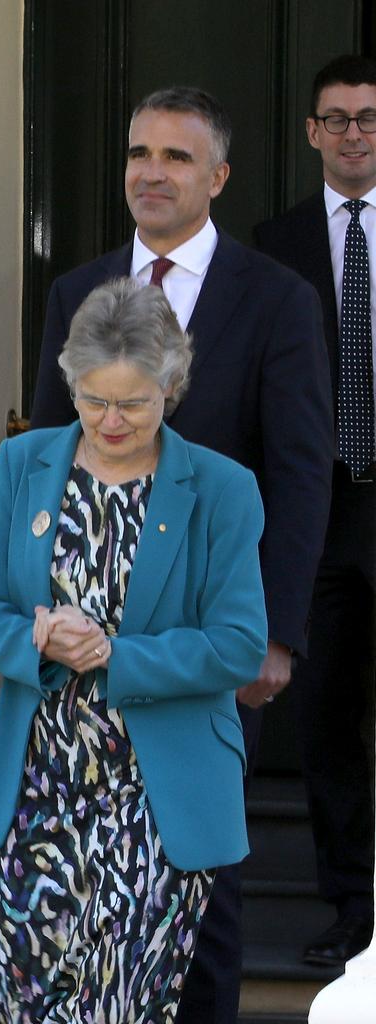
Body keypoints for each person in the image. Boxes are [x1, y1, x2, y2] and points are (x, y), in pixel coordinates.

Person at [28, 86, 334, 1023]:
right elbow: (44, 461)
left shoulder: (277, 298)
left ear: (220, 177)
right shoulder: (76, 293)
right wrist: (32, 610)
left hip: (208, 642)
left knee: (198, 877)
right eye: (139, 153)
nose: (151, 172)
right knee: (83, 874)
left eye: (176, 157)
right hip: (81, 640)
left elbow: (300, 470)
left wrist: (275, 633)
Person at [0, 277, 267, 1024]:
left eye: (133, 403)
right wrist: (38, 639)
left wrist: (114, 656)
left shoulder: (222, 489)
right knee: (31, 1004)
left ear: (173, 386)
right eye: (94, 399)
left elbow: (239, 646)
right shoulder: (22, 466)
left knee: (121, 1009)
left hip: (154, 797)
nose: (111, 421)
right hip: (39, 789)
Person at [254, 54, 376, 966]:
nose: (353, 135)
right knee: (328, 721)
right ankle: (352, 911)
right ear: (311, 132)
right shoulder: (276, 240)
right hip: (321, 514)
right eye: (336, 119)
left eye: (368, 119)